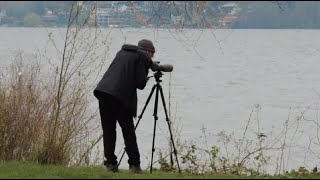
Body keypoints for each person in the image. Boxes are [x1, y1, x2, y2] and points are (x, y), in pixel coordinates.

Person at [93, 39, 156, 173]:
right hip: (120, 97)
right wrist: (146, 71)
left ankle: (110, 164)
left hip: (103, 92)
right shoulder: (143, 57)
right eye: (153, 54)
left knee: (109, 130)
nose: (152, 58)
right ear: (148, 52)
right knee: (128, 131)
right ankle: (135, 165)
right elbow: (140, 84)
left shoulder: (122, 52)